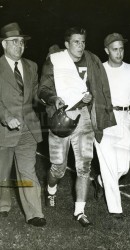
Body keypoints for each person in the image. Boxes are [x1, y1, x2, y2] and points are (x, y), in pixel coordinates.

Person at [38, 27, 116, 227]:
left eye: (82, 42)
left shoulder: (91, 60)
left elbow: (98, 87)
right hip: (61, 116)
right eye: (76, 42)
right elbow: (43, 89)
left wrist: (90, 98)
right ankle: (51, 189)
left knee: (84, 167)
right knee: (59, 168)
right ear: (67, 44)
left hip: (84, 118)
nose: (80, 46)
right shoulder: (55, 60)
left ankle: (79, 211)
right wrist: (53, 98)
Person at [0, 22, 46, 227]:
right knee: (2, 171)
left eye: (22, 42)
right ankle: (3, 205)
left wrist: (50, 99)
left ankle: (35, 213)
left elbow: (36, 95)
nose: (20, 46)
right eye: (14, 42)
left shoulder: (31, 66)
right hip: (3, 129)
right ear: (4, 44)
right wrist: (6, 117)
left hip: (28, 127)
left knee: (28, 169)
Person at [95, 33, 130, 219]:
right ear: (107, 50)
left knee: (124, 166)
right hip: (106, 118)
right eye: (115, 49)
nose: (119, 53)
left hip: (125, 118)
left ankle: (101, 181)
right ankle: (115, 209)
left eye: (121, 48)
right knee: (109, 163)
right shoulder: (100, 70)